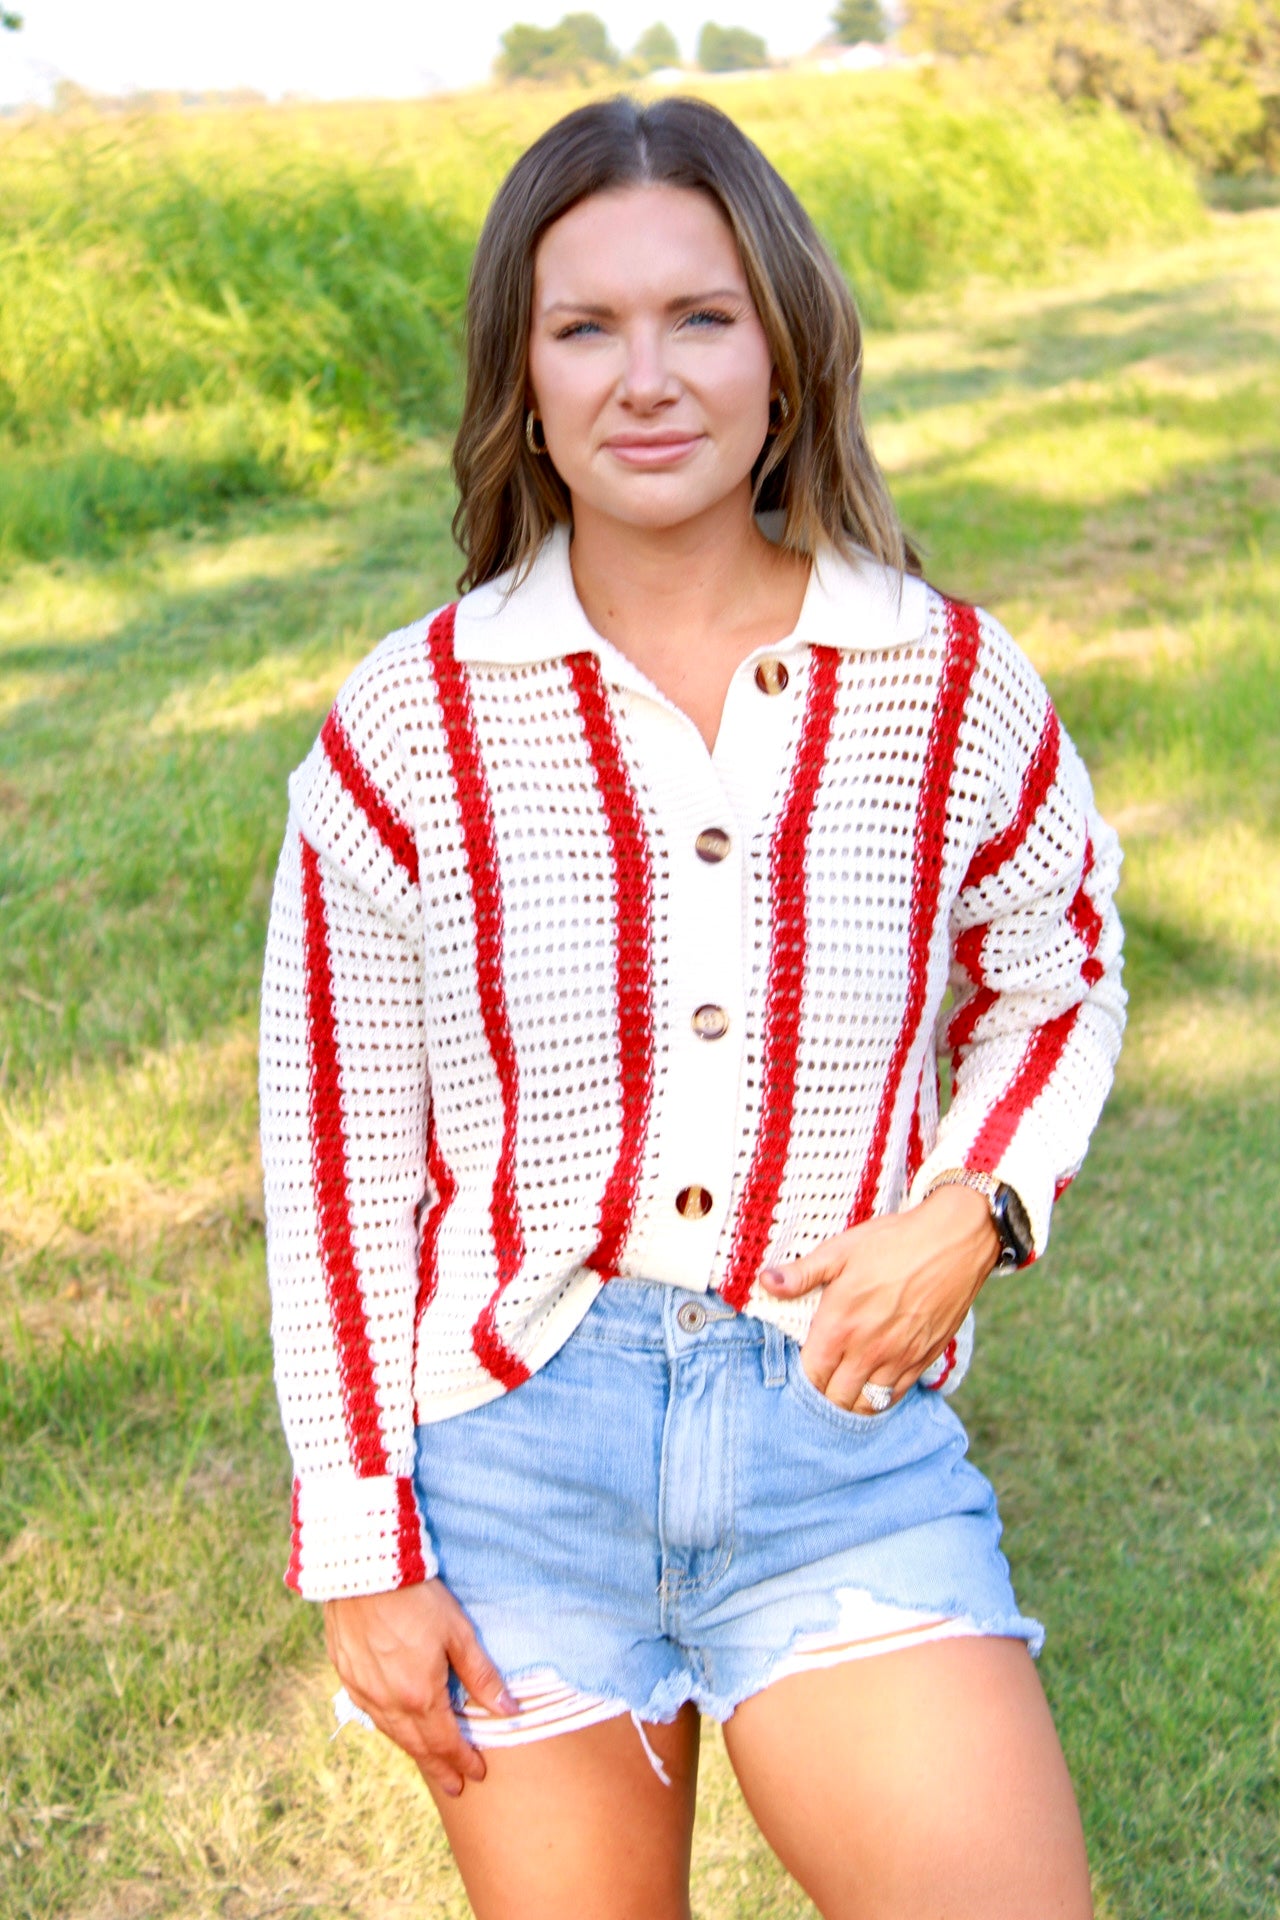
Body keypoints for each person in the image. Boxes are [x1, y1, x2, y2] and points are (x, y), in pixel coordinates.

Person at [260, 94, 1124, 1920]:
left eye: (701, 318)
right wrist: (361, 1548)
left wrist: (980, 1203)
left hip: (839, 1449)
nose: (645, 378)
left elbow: (1061, 978)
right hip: (514, 1470)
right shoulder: (409, 723)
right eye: (586, 328)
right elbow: (337, 1159)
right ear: (524, 379)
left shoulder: (944, 678)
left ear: (787, 356)